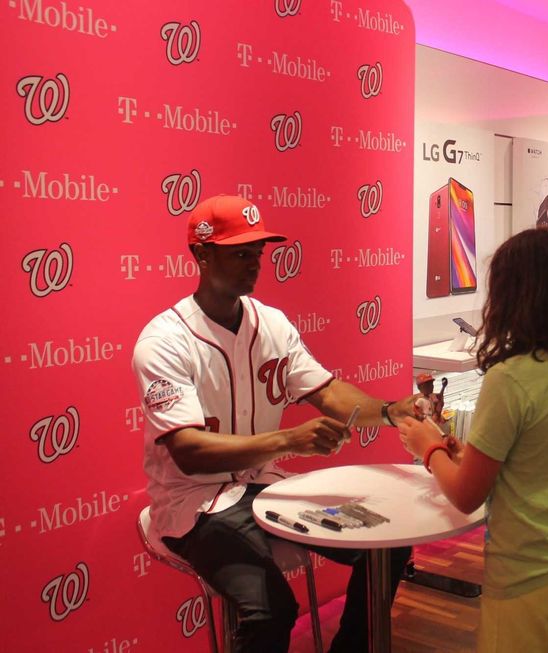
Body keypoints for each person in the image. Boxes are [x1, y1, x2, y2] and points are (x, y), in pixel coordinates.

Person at [132, 194, 414, 653]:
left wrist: (388, 411)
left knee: (387, 548)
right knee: (271, 611)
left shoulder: (272, 323)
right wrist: (290, 440)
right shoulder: (164, 340)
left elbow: (326, 392)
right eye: (240, 253)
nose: (254, 264)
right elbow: (189, 450)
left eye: (258, 253)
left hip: (262, 486)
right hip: (193, 504)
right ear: (202, 255)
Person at [399, 228, 548, 653]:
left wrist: (427, 446)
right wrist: (465, 454)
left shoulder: (511, 378)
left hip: (531, 570)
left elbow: (465, 495)